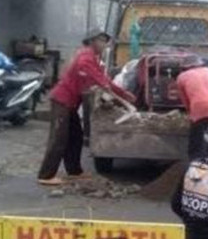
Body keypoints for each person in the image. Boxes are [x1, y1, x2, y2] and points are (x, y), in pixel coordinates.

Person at [37, 29, 135, 186]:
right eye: (101, 40)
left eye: (105, 40)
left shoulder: (92, 57)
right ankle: (46, 175)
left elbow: (104, 80)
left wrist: (123, 93)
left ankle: (75, 171)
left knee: (76, 137)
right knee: (58, 138)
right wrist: (124, 99)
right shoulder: (85, 57)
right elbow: (101, 81)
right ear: (92, 41)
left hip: (71, 103)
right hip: (62, 101)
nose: (104, 44)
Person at [174, 55, 208, 159]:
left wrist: (191, 115)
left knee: (196, 145)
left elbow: (185, 101)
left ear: (185, 67)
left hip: (200, 109)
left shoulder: (182, 77)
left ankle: (196, 167)